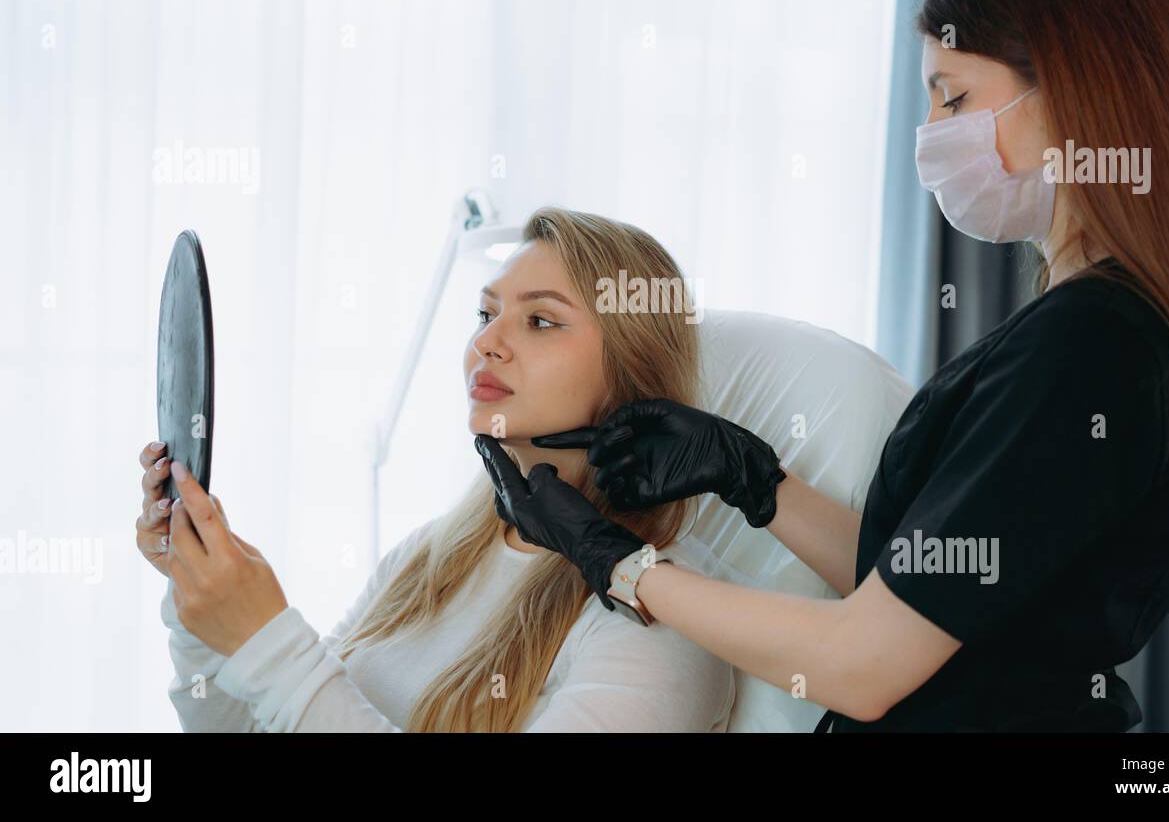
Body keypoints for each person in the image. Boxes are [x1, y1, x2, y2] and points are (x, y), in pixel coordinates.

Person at [474, 0, 1169, 732]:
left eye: (956, 99)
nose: (934, 135)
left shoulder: (1091, 347)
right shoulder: (1097, 333)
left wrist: (617, 564)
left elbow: (864, 664)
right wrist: (751, 479)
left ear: (1069, 90)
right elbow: (921, 588)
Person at [136, 207, 733, 732]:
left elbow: (291, 688)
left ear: (634, 373)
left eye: (541, 320)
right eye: (484, 312)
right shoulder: (434, 551)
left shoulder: (666, 610)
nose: (487, 343)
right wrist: (200, 600)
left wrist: (271, 645)